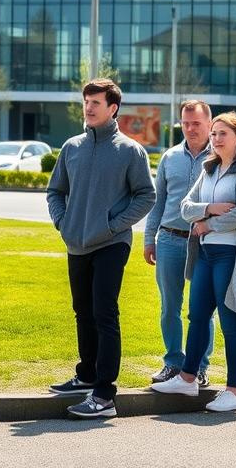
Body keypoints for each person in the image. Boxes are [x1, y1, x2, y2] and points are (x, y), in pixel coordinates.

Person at [46, 79, 156, 419]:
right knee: (83, 310)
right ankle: (87, 374)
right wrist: (63, 223)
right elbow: (55, 192)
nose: (89, 107)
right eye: (86, 102)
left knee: (104, 312)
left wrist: (112, 225)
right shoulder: (72, 147)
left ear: (113, 108)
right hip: (76, 243)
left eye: (96, 102)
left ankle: (105, 394)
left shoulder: (130, 150)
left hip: (112, 242)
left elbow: (146, 196)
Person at [150, 112, 236, 412]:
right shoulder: (209, 168)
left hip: (231, 255)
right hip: (206, 255)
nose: (215, 139)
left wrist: (208, 225)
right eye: (213, 134)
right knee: (197, 316)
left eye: (222, 134)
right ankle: (188, 378)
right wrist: (210, 208)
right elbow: (186, 207)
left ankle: (235, 391)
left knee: (231, 322)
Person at [143, 100, 214, 388]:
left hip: (204, 242)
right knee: (169, 306)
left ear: (209, 124)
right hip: (170, 240)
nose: (190, 129)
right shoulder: (169, 158)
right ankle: (173, 362)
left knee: (202, 309)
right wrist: (149, 239)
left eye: (196, 123)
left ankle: (198, 366)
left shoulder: (221, 157)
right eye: (185, 123)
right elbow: (157, 202)